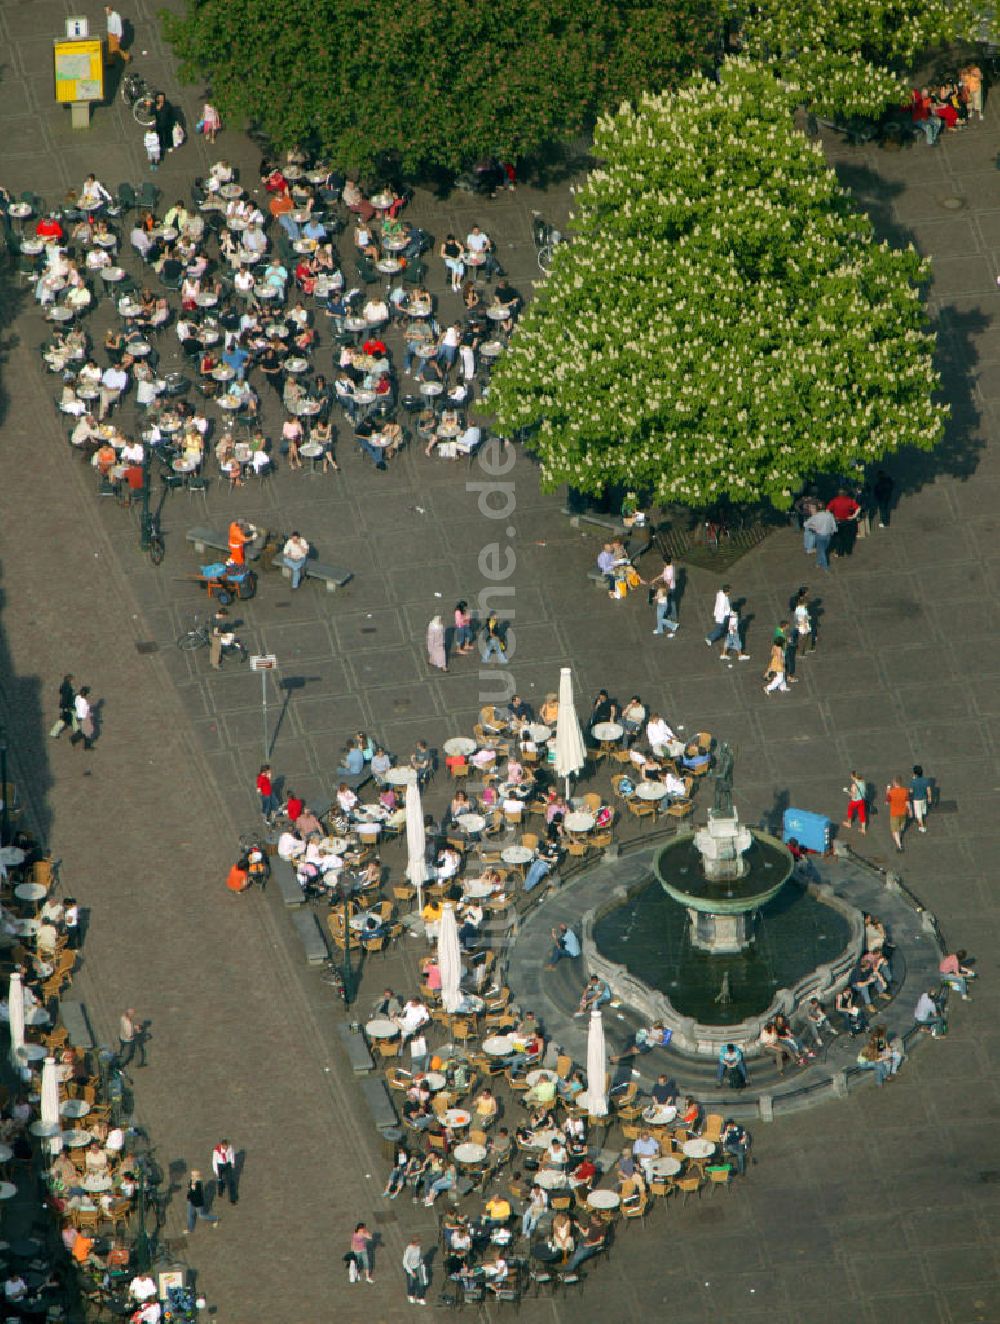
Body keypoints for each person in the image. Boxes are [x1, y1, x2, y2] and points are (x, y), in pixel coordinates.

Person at [803, 506, 837, 570]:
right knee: (822, 550)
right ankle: (818, 562)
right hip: (828, 536)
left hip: (819, 535)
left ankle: (825, 566)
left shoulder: (815, 516)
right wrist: (833, 532)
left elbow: (805, 524)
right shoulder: (830, 515)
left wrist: (813, 527)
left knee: (821, 551)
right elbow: (834, 525)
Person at [885, 776, 910, 853]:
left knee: (895, 831)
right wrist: (910, 811)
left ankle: (899, 846)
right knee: (900, 827)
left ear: (894, 783)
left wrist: (888, 791)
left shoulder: (891, 792)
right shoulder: (905, 791)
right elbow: (907, 802)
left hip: (894, 813)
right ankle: (898, 835)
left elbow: (886, 802)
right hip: (903, 812)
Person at [212, 1138, 237, 1205]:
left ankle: (233, 1199)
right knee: (220, 1180)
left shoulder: (230, 1147)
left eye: (227, 1147)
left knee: (231, 1181)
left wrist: (232, 1162)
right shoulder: (216, 1150)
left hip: (227, 1164)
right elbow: (214, 1161)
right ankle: (220, 1192)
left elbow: (232, 1154)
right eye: (225, 1148)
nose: (226, 1149)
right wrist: (216, 1171)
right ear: (222, 1145)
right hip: (220, 1165)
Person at [909, 764, 932, 834]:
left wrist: (913, 780)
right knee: (922, 811)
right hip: (924, 798)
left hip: (916, 800)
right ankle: (921, 820)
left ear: (914, 773)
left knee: (918, 815)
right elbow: (928, 790)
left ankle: (922, 827)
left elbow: (911, 791)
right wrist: (929, 798)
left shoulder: (913, 782)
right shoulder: (926, 780)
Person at [51, 673, 76, 739]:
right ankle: (54, 732)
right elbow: (66, 697)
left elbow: (60, 691)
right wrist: (66, 706)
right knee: (64, 719)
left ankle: (54, 732)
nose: (72, 680)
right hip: (67, 705)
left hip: (64, 705)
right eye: (72, 679)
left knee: (64, 719)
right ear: (69, 679)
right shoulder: (68, 686)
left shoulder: (64, 684)